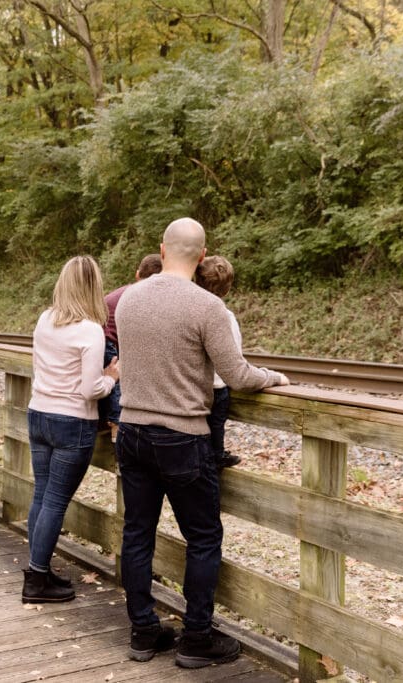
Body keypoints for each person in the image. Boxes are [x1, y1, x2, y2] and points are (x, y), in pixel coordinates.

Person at [113, 218, 288, 666]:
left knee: (137, 532)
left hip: (131, 431)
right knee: (204, 537)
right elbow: (238, 375)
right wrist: (275, 377)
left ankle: (144, 631)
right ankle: (196, 639)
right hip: (182, 438)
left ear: (162, 247)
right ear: (204, 255)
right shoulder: (206, 306)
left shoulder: (129, 298)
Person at [24, 255, 120, 604]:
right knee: (54, 500)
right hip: (72, 422)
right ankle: (36, 581)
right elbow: (89, 389)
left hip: (39, 414)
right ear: (93, 287)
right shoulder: (91, 331)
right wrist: (111, 377)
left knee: (41, 494)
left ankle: (38, 569)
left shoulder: (45, 319)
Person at [99, 254, 162, 442]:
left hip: (97, 337)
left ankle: (115, 421)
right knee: (117, 375)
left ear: (137, 274)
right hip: (108, 340)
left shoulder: (124, 292)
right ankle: (117, 425)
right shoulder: (142, 296)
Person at [194, 255, 242, 469]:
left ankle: (206, 455)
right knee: (216, 423)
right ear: (228, 288)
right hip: (217, 385)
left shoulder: (191, 311)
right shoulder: (225, 316)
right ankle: (217, 454)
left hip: (195, 386)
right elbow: (235, 355)